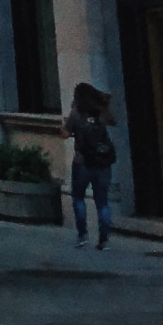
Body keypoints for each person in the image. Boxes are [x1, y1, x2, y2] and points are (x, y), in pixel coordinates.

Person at [65, 83, 115, 248]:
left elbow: (64, 133)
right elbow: (113, 121)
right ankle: (104, 239)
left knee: (78, 198)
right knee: (102, 202)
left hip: (82, 162)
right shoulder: (100, 112)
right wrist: (105, 104)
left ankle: (83, 235)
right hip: (102, 161)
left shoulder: (76, 113)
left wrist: (67, 123)